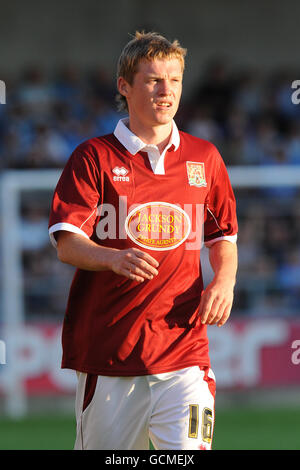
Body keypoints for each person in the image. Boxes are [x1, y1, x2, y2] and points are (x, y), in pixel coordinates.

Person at [48, 31, 238, 451]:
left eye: (174, 79)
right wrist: (112, 258)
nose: (166, 90)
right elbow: (67, 244)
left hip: (184, 353)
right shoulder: (93, 157)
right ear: (124, 86)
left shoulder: (205, 157)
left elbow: (223, 236)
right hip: (110, 355)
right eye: (153, 79)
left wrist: (223, 282)